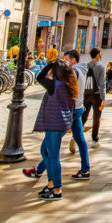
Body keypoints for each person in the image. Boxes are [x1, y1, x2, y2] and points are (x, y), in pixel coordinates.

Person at [21, 59, 78, 201]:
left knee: (53, 156)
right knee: (45, 151)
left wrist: (48, 65)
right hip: (62, 123)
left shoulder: (55, 85)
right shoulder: (70, 85)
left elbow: (39, 77)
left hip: (54, 124)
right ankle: (51, 184)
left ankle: (57, 189)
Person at [62, 50, 91, 174]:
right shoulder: (82, 71)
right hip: (78, 108)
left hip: (71, 109)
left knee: (51, 142)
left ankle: (38, 170)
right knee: (80, 139)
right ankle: (85, 169)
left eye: (66, 59)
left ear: (73, 60)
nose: (64, 62)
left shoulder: (73, 72)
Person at [80, 48, 106, 148]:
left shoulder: (85, 66)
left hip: (86, 94)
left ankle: (77, 135)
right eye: (100, 53)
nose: (101, 54)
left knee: (84, 116)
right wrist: (103, 99)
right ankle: (94, 140)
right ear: (97, 55)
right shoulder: (100, 67)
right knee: (96, 118)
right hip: (96, 95)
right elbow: (102, 84)